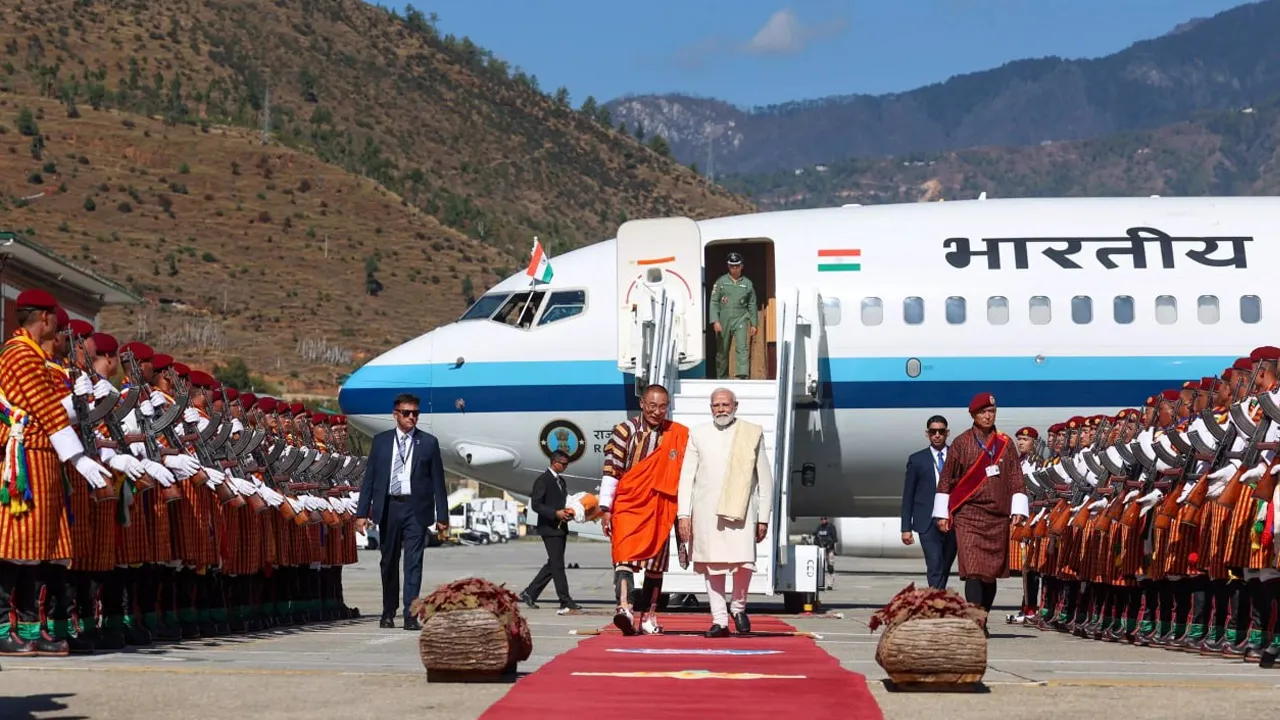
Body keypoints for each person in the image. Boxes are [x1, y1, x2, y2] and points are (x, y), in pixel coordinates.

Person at [0, 290, 112, 656]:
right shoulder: (19, 354)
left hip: (45, 456)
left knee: (40, 551)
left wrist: (77, 404)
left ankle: (33, 629)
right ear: (45, 319)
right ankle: (4, 626)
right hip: (26, 459)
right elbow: (46, 411)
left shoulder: (36, 356)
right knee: (16, 548)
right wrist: (78, 457)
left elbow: (52, 411)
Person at [676, 387, 774, 637]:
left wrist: (763, 517)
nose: (721, 409)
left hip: (741, 511)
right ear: (711, 408)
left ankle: (738, 607)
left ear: (735, 406)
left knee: (744, 563)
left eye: (725, 405)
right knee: (711, 566)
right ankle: (719, 620)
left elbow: (765, 479)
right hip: (707, 512)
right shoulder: (698, 433)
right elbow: (687, 477)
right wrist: (683, 515)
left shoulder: (751, 433)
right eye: (716, 405)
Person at [932, 393, 1028, 633]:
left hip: (997, 516)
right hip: (968, 516)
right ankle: (975, 622)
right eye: (983, 412)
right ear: (973, 415)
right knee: (973, 571)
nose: (988, 415)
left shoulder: (1005, 443)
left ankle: (982, 616)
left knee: (990, 574)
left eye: (991, 412)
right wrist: (943, 514)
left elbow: (1017, 477)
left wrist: (1018, 509)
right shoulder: (962, 443)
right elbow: (945, 481)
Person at [598, 384, 689, 635]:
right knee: (624, 554)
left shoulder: (677, 434)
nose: (657, 412)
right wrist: (606, 508)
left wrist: (684, 515)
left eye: (662, 407)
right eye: (652, 406)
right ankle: (624, 608)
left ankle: (649, 616)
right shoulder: (625, 431)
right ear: (642, 404)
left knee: (656, 564)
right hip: (629, 502)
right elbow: (611, 470)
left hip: (661, 505)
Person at [355, 393, 448, 631]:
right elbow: (370, 479)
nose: (411, 417)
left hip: (416, 510)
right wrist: (361, 512)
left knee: (414, 563)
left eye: (415, 413)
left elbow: (438, 481)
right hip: (388, 507)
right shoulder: (381, 441)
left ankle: (410, 614)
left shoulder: (428, 442)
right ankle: (388, 611)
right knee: (388, 562)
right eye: (406, 413)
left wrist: (443, 517)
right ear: (395, 414)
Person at [519, 450, 582, 613]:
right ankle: (565, 600)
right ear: (554, 462)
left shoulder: (561, 481)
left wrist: (569, 512)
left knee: (553, 564)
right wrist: (555, 514)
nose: (566, 467)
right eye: (563, 464)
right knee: (558, 565)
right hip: (549, 528)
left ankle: (529, 593)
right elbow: (536, 505)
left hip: (561, 528)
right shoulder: (543, 480)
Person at [901, 415, 957, 590]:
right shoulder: (917, 460)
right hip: (927, 520)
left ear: (947, 433)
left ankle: (937, 597)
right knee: (934, 564)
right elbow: (908, 495)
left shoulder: (957, 457)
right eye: (933, 432)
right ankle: (935, 599)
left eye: (941, 431)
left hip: (951, 519)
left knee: (945, 564)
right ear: (927, 434)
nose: (937, 435)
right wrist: (905, 528)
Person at [708, 252, 757, 380]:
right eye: (731, 266)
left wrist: (754, 323)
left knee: (742, 348)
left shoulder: (747, 283)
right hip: (724, 318)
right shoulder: (721, 282)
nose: (734, 269)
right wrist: (715, 321)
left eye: (736, 266)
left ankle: (742, 375)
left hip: (741, 317)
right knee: (722, 350)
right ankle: (722, 376)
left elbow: (752, 304)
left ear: (741, 266)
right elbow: (714, 302)